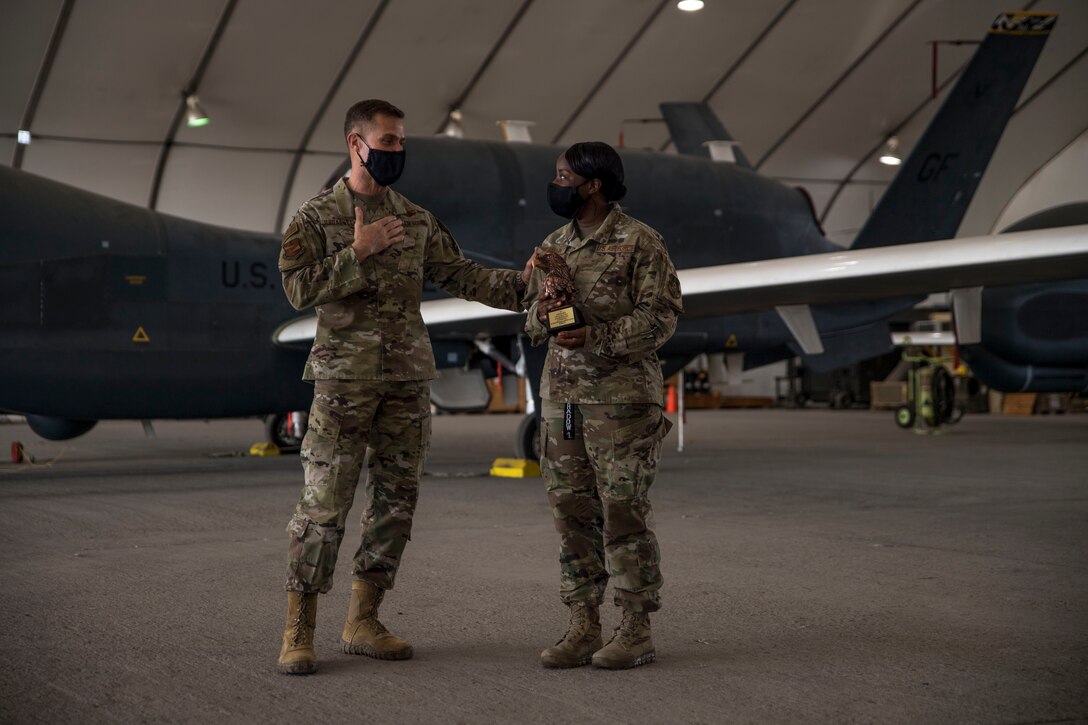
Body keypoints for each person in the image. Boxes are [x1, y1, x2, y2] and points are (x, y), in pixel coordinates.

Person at [276, 99, 531, 675]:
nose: (397, 151)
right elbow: (296, 289)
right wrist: (357, 253)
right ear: (356, 144)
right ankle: (299, 629)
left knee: (395, 504)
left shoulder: (415, 219)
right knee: (324, 506)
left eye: (400, 142)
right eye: (387, 141)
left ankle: (363, 621)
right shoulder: (316, 217)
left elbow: (462, 274)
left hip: (406, 380)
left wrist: (528, 285)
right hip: (343, 382)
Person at [524, 141, 683, 670]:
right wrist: (545, 315)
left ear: (592, 185)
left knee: (622, 511)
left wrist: (595, 336)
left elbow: (661, 317)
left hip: (621, 403)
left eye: (563, 176)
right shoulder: (554, 245)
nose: (556, 184)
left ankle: (636, 628)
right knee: (571, 510)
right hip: (564, 403)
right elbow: (530, 319)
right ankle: (583, 623)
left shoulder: (640, 241)